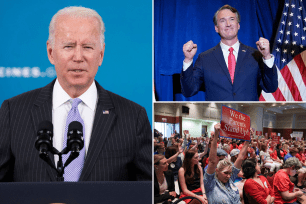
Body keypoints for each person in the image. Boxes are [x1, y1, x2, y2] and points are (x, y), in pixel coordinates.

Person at [0, 6, 151, 182]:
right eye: (68, 46)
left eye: (87, 47)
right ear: (51, 53)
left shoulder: (133, 117)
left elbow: (145, 191)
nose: (78, 57)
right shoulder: (13, 111)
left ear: (101, 54)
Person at [180, 4, 278, 101]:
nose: (228, 24)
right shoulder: (204, 58)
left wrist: (267, 56)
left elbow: (271, 87)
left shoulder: (255, 55)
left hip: (248, 114)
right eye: (222, 20)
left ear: (238, 25)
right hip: (217, 115)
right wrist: (188, 59)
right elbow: (189, 91)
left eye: (232, 19)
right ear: (216, 28)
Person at [204, 123, 249, 204]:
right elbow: (212, 161)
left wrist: (247, 140)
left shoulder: (230, 179)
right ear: (217, 171)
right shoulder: (210, 183)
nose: (229, 176)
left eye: (230, 173)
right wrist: (216, 135)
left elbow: (240, 158)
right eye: (225, 173)